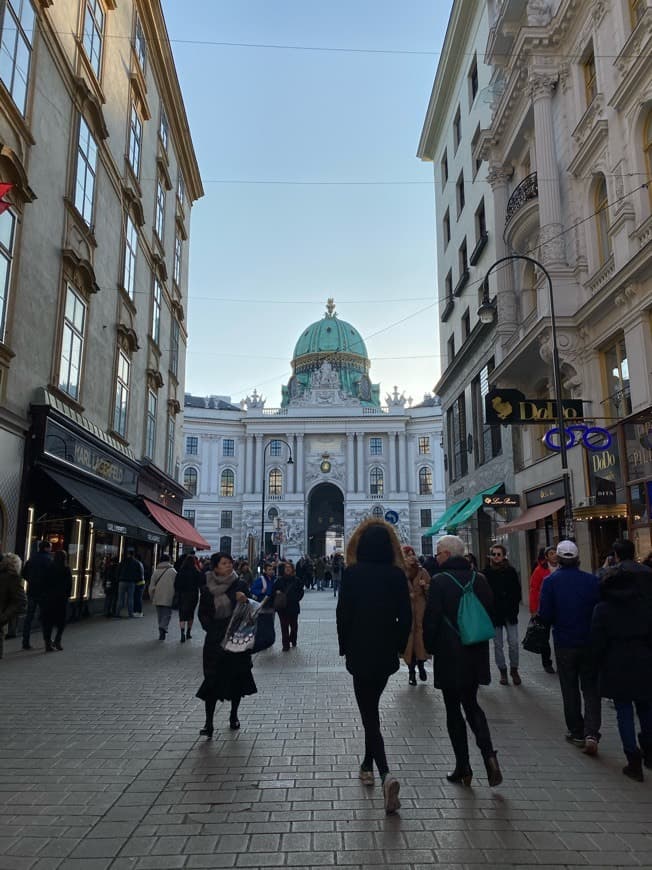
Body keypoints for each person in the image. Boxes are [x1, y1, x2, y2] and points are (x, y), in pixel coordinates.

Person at [336, 519, 411, 815]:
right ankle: (367, 764)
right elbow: (405, 617)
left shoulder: (352, 574)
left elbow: (343, 614)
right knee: (372, 708)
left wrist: (345, 646)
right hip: (384, 654)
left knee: (369, 714)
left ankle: (385, 774)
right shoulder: (396, 575)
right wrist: (396, 645)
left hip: (359, 650)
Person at [423, 534, 502, 788]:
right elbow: (490, 611)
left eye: (438, 552)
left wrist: (429, 647)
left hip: (449, 654)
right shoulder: (479, 579)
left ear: (447, 554)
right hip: (475, 651)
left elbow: (432, 619)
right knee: (472, 705)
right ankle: (489, 756)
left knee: (453, 710)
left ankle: (463, 767)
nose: (436, 556)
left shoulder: (439, 581)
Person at [538, 540, 601, 755]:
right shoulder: (592, 581)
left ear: (559, 559)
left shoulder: (551, 582)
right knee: (591, 688)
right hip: (589, 641)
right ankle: (592, 732)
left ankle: (576, 731)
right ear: (577, 558)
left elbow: (545, 614)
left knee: (570, 687)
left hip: (565, 641)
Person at [592, 566, 652, 781]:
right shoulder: (645, 606)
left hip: (616, 662)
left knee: (624, 711)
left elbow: (597, 642)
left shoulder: (603, 608)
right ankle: (649, 749)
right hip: (644, 660)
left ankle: (632, 758)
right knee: (645, 707)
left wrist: (596, 665)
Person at [196, 552, 256, 737]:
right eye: (224, 563)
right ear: (215, 567)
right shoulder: (206, 587)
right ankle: (209, 723)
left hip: (236, 640)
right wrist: (213, 629)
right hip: (215, 642)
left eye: (230, 563)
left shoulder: (240, 585)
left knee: (236, 679)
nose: (229, 566)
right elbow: (203, 613)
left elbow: (251, 611)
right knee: (212, 680)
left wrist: (245, 601)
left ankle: (234, 715)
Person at [483, 544, 522, 685]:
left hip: (510, 613)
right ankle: (503, 670)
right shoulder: (486, 573)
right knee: (498, 644)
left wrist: (515, 607)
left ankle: (514, 669)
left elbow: (517, 591)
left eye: (499, 554)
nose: (496, 557)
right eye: (494, 554)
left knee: (514, 643)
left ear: (504, 555)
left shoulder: (511, 571)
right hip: (495, 614)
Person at [401, 545, 431, 686]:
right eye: (408, 554)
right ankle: (411, 672)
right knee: (409, 642)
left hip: (420, 608)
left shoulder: (422, 571)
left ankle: (421, 665)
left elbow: (431, 590)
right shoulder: (400, 573)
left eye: (413, 554)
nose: (411, 556)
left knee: (421, 639)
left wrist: (426, 586)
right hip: (406, 609)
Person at [528, 546, 558, 674]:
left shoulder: (563, 568)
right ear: (546, 557)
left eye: (555, 552)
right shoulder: (539, 571)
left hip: (559, 608)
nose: (554, 555)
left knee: (558, 636)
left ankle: (562, 661)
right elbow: (533, 590)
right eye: (551, 553)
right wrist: (534, 609)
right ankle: (547, 663)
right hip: (544, 608)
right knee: (544, 637)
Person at [22, 541, 53, 650]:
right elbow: (51, 576)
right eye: (50, 547)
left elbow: (23, 573)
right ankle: (47, 640)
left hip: (32, 591)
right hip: (44, 593)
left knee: (29, 617)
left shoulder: (32, 558)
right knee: (45, 617)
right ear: (46, 548)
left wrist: (30, 580)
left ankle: (25, 641)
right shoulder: (49, 560)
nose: (51, 549)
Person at [41, 550, 72, 652]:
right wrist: (67, 596)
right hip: (61, 600)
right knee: (62, 622)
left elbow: (44, 582)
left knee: (48, 622)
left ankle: (47, 643)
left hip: (49, 599)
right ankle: (58, 640)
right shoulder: (66, 569)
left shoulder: (49, 568)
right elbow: (69, 585)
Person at [0, 554, 27, 660]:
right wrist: (4, 617)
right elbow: (21, 601)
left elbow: (20, 601)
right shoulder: (13, 578)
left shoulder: (10, 578)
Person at [274, 561, 304, 651]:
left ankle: (293, 639)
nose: (287, 569)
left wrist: (296, 598)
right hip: (282, 607)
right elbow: (274, 590)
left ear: (292, 569)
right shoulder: (279, 580)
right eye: (286, 567)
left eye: (289, 567)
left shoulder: (297, 580)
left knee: (294, 626)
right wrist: (277, 592)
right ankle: (285, 645)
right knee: (284, 627)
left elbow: (301, 592)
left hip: (293, 606)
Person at [149, 554, 177, 641]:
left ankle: (161, 628)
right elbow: (176, 584)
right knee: (167, 614)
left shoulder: (156, 571)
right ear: (169, 561)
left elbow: (151, 586)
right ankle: (163, 627)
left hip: (157, 596)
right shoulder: (173, 571)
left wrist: (151, 596)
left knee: (160, 615)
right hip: (168, 596)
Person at [175, 554, 202, 642]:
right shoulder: (196, 571)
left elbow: (176, 585)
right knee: (190, 614)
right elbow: (200, 583)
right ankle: (188, 632)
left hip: (182, 595)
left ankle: (182, 632)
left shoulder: (181, 571)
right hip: (193, 595)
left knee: (182, 614)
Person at [117, 548, 144, 618]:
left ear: (128, 554)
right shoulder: (136, 562)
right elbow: (140, 573)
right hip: (131, 582)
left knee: (120, 598)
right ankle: (130, 614)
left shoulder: (123, 561)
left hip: (122, 581)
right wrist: (137, 580)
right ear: (133, 555)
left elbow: (118, 570)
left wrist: (118, 578)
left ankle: (117, 613)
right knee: (130, 598)